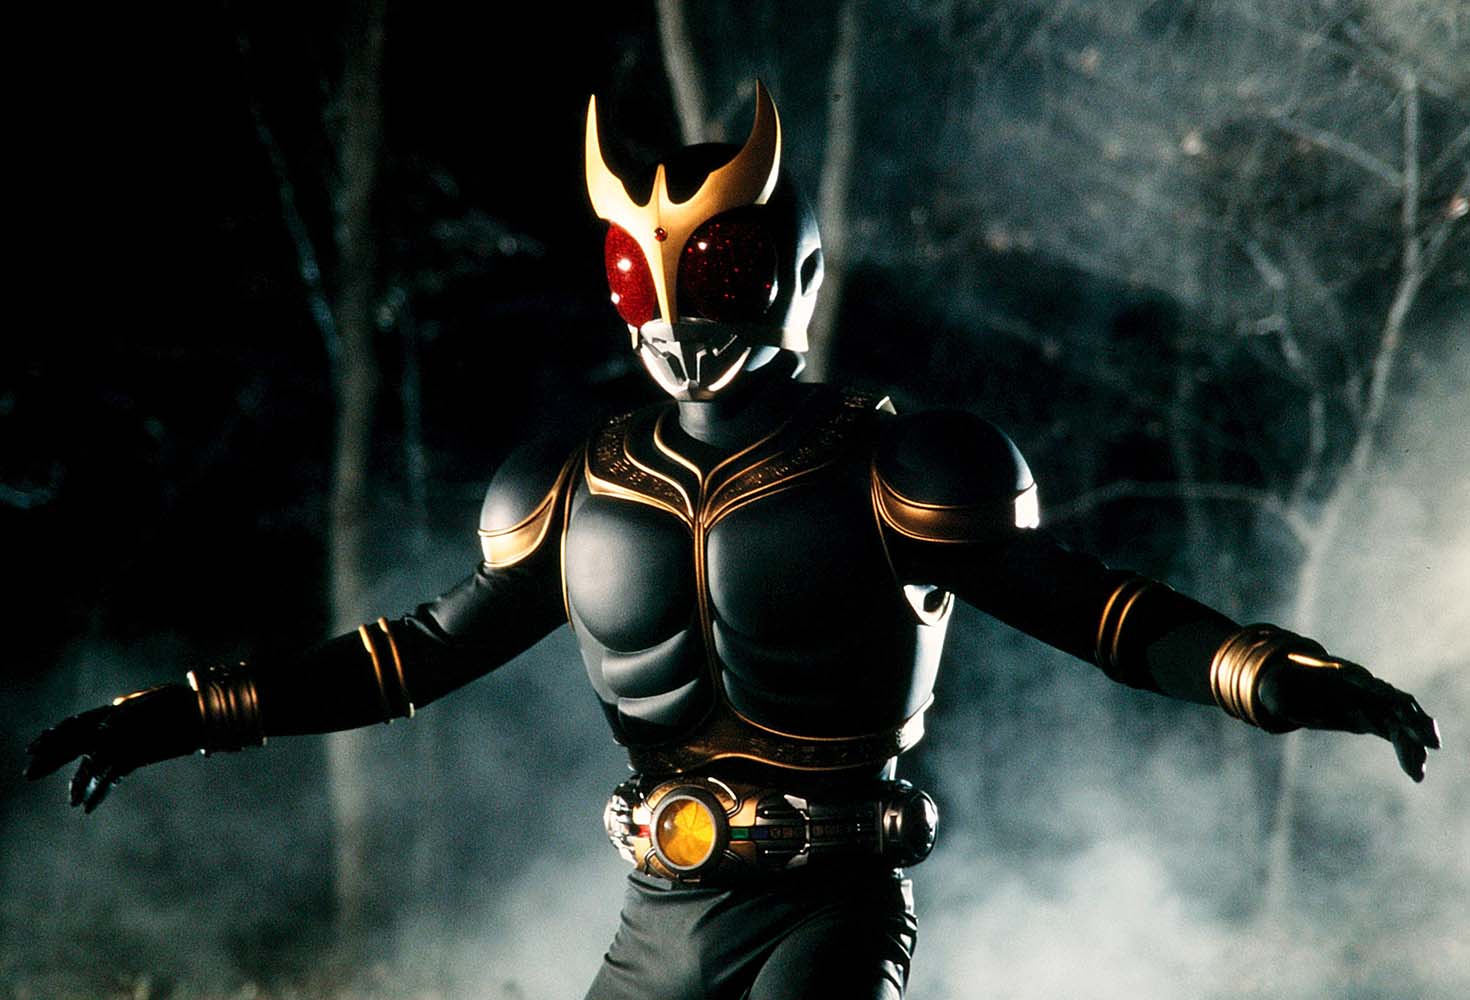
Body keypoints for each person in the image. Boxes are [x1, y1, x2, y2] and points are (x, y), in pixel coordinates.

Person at [26, 83, 1440, 999]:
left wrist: (1273, 674)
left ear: (789, 272)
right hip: (659, 906)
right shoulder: (575, 483)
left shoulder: (895, 467)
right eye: (642, 271)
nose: (676, 308)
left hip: (828, 906)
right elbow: (410, 658)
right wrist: (182, 713)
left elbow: (1098, 612)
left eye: (713, 266)